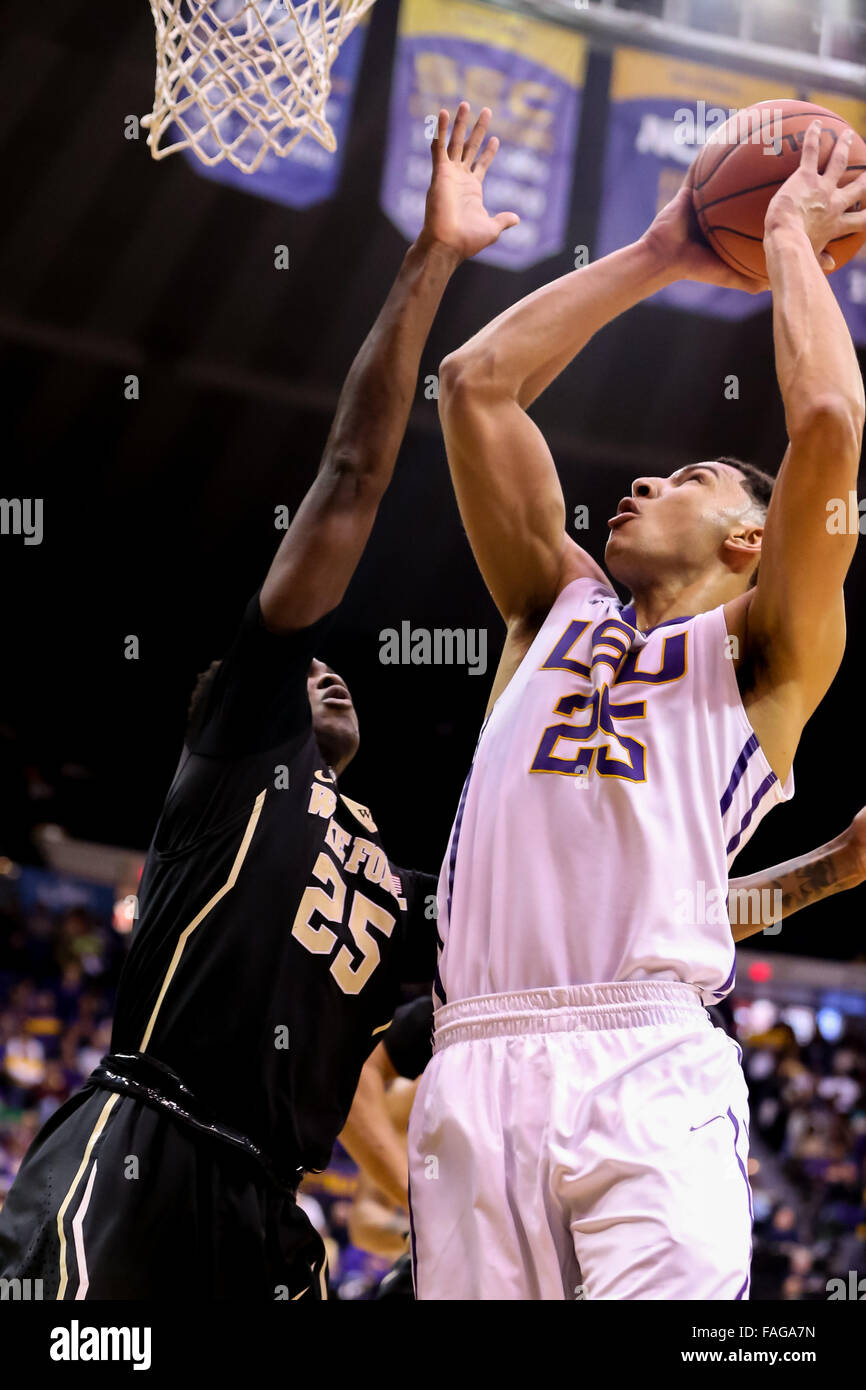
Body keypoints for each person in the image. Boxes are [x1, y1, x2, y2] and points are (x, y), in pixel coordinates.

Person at [0, 103, 516, 1301]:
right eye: (300, 675)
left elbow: (605, 935)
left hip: (267, 1209)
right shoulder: (246, 751)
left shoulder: (404, 886)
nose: (326, 674)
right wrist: (430, 259)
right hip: (140, 1153)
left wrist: (806, 881)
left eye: (334, 676)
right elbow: (349, 476)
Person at [409, 119, 866, 1299]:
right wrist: (664, 247)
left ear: (749, 540)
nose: (644, 481)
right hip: (474, 1067)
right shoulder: (547, 607)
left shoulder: (768, 648)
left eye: (691, 479)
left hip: (646, 1070)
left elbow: (826, 427)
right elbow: (475, 383)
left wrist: (785, 246)